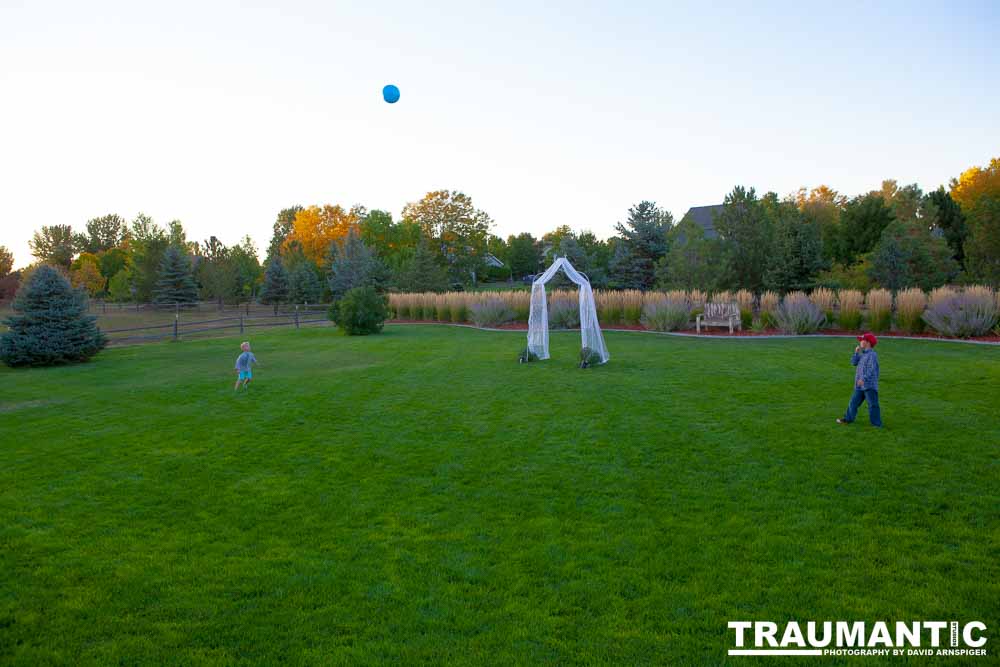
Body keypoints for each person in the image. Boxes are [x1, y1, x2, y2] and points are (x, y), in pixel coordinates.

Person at [837, 332, 881, 427]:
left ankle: (877, 424)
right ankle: (847, 419)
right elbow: (853, 362)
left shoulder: (872, 355)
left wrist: (863, 379)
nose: (860, 341)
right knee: (853, 403)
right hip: (860, 386)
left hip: (869, 386)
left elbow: (871, 369)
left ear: (868, 342)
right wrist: (856, 353)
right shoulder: (863, 354)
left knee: (873, 405)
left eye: (862, 340)